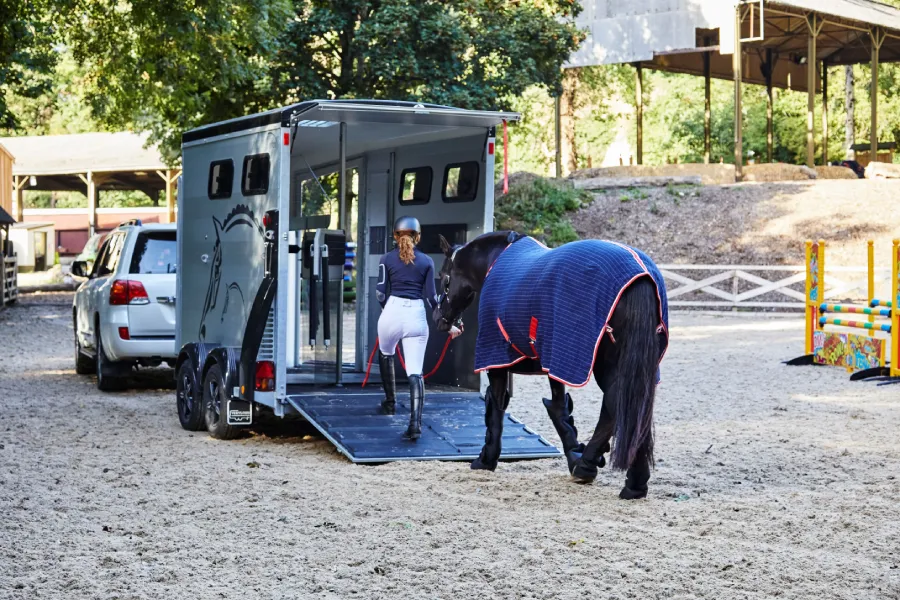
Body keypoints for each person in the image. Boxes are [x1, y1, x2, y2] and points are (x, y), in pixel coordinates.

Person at [377, 216, 461, 440]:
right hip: (415, 314)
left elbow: (380, 293)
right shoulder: (426, 261)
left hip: (392, 311)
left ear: (396, 236)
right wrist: (449, 324)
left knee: (386, 353)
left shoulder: (386, 258)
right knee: (415, 371)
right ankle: (415, 424)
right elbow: (432, 298)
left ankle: (390, 403)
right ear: (418, 236)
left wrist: (388, 312)